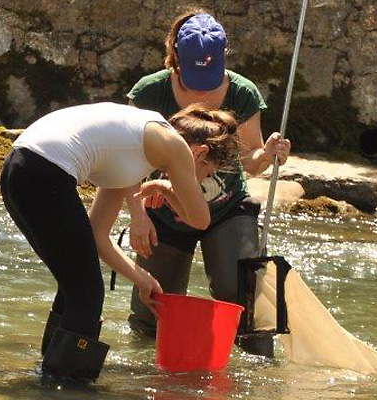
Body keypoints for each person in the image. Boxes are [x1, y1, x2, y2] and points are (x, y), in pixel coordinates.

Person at [0, 102, 240, 382]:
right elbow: (200, 219)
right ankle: (66, 385)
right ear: (200, 153)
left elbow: (97, 236)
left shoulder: (134, 148)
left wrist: (141, 278)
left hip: (18, 167)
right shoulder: (174, 146)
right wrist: (165, 187)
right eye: (208, 174)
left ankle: (49, 373)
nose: (200, 181)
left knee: (75, 288)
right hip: (45, 171)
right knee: (87, 297)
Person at [124, 10, 293, 355]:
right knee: (153, 306)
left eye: (210, 73)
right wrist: (137, 214)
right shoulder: (149, 93)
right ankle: (145, 377)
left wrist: (269, 154)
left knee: (242, 294)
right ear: (175, 58)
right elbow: (125, 163)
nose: (204, 85)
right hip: (163, 209)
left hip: (226, 208)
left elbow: (250, 163)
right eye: (194, 74)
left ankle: (255, 378)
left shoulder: (243, 93)